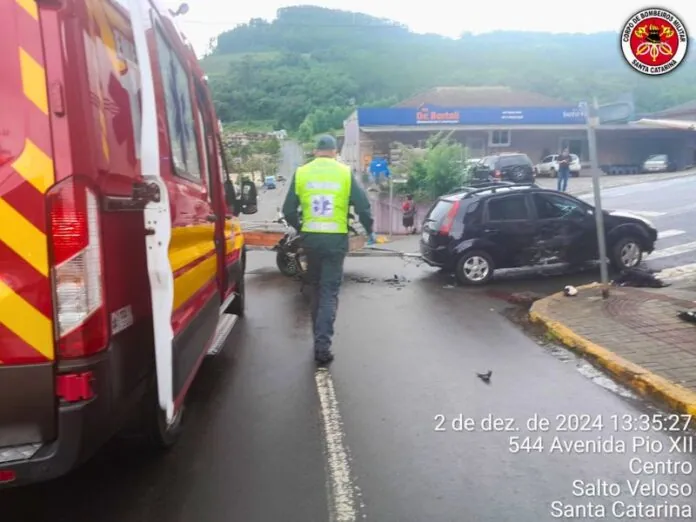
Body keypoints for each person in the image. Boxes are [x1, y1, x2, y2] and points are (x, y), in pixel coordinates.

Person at [282, 135, 375, 365]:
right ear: (334, 151)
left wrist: (301, 228)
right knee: (329, 292)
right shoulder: (344, 173)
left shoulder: (302, 172)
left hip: (311, 241)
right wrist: (369, 228)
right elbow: (363, 206)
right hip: (335, 242)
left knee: (315, 288)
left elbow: (288, 210)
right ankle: (322, 347)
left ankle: (317, 338)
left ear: (315, 151)